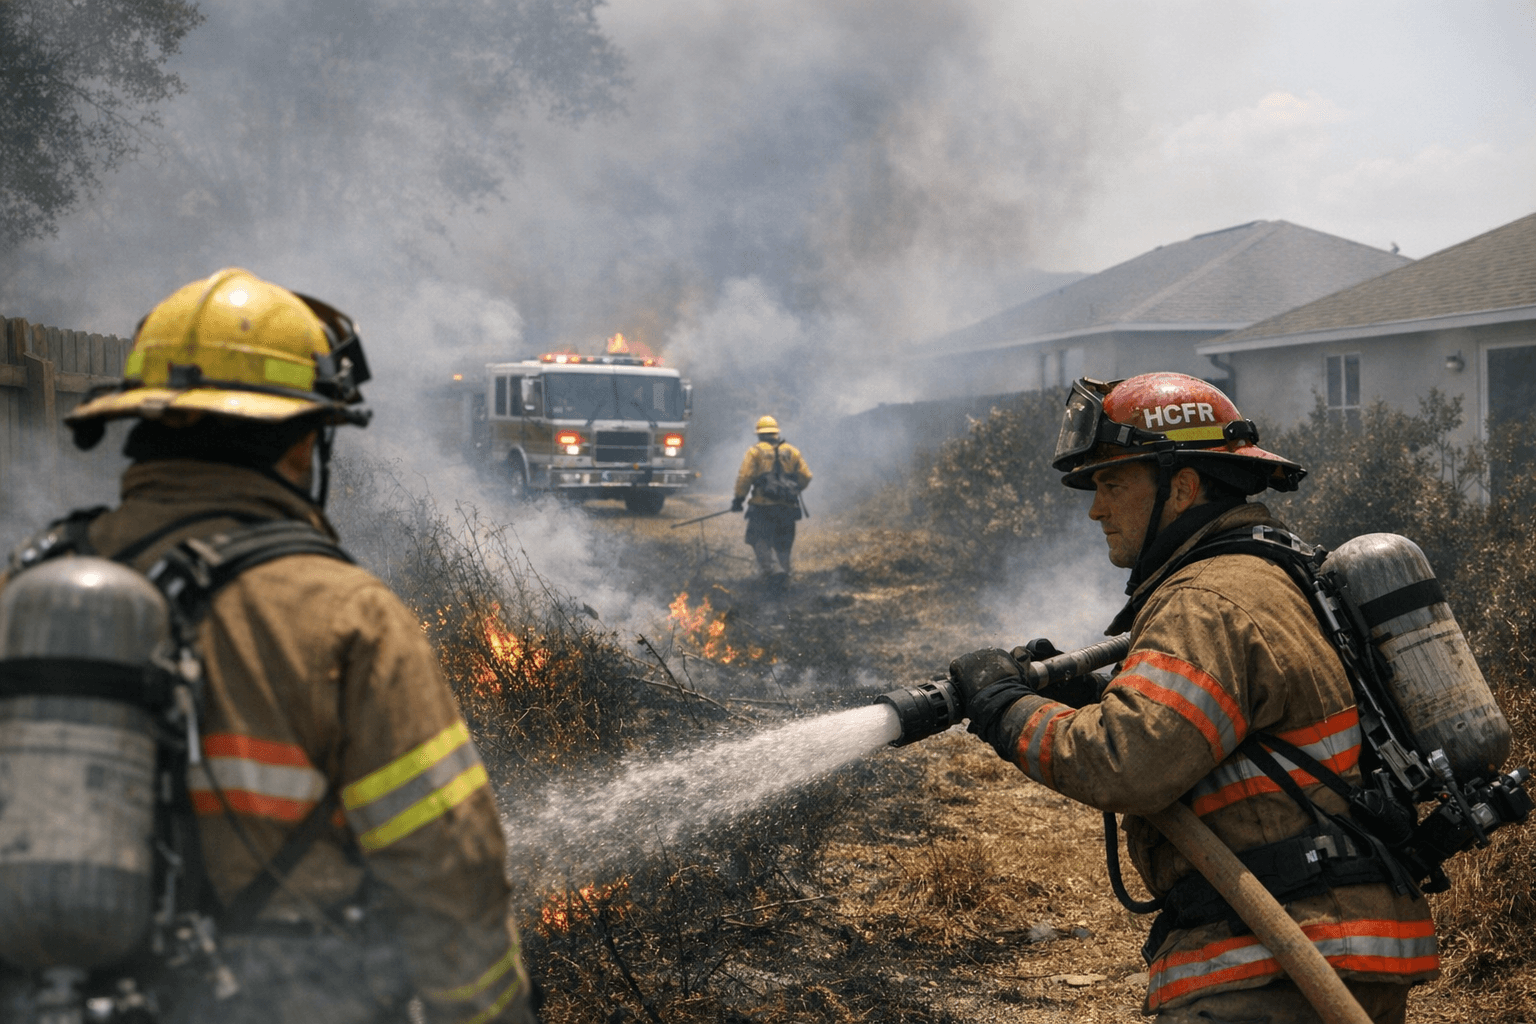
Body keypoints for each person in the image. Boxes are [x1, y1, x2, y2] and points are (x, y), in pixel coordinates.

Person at [9, 269, 539, 1023]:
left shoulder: (31, 585)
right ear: (300, 445)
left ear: (142, 427)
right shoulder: (348, 618)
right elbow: (448, 865)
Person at [948, 374, 1438, 1024]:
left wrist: (1003, 710)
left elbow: (1125, 763)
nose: (1096, 509)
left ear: (1180, 486)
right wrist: (1090, 695)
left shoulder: (1205, 601)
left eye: (1112, 483)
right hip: (1331, 948)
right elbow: (1218, 733)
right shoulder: (1268, 576)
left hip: (1275, 964)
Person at [731, 414, 812, 579]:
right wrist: (794, 489)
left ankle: (771, 571)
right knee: (783, 546)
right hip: (788, 508)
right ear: (776, 433)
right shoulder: (792, 451)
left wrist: (739, 499)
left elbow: (745, 477)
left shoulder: (755, 452)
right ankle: (784, 578)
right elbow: (806, 476)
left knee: (758, 539)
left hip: (762, 507)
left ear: (760, 434)